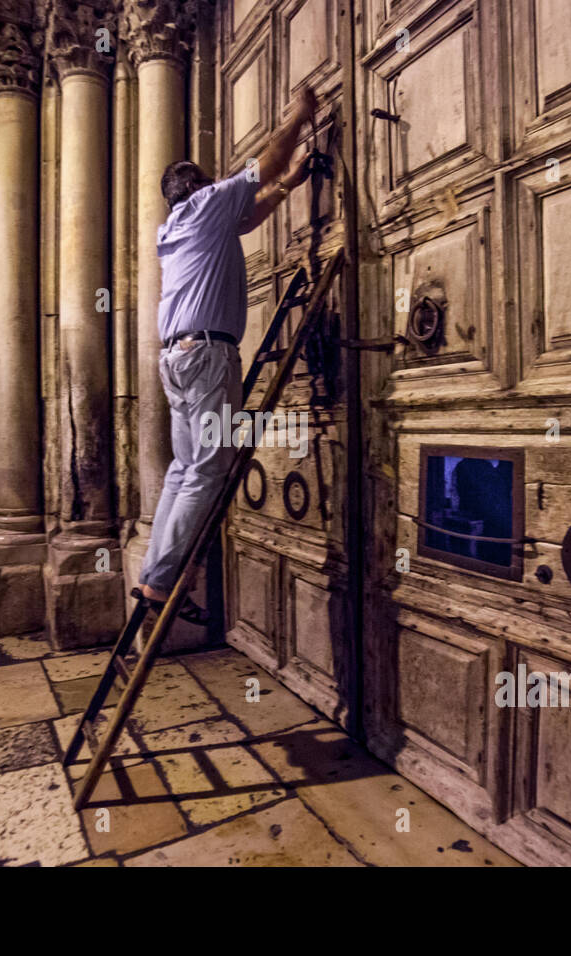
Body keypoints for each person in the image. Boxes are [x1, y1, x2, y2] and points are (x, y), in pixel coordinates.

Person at [138, 85, 320, 621]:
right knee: (209, 470)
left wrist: (287, 188)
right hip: (205, 358)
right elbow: (263, 164)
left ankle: (153, 577)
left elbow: (247, 215)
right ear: (197, 186)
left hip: (178, 359)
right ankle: (165, 582)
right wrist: (297, 119)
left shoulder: (178, 226)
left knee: (183, 470)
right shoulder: (206, 203)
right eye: (209, 178)